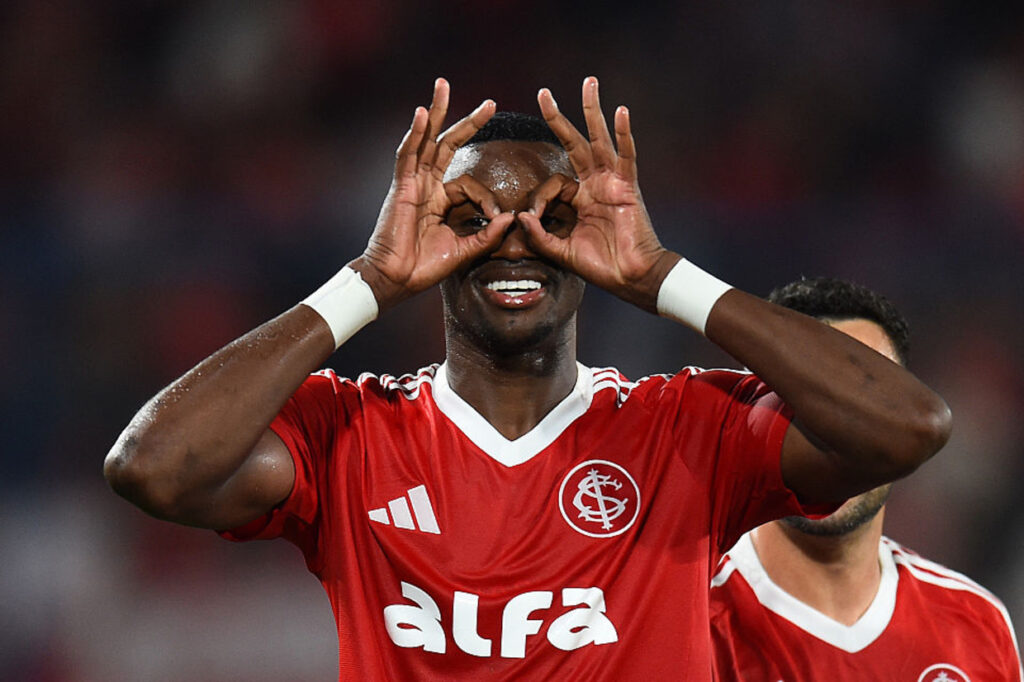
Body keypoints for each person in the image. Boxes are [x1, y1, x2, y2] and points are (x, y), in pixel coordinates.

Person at [103, 77, 951, 680]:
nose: (514, 244)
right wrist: (367, 281)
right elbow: (152, 468)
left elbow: (906, 429)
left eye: (554, 218)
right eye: (470, 219)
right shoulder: (349, 433)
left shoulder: (687, 427)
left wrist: (664, 276)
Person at [710, 277, 1022, 682]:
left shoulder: (978, 626)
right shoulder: (686, 609)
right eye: (805, 402)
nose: (837, 438)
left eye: (867, 411)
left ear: (907, 430)